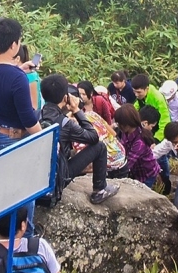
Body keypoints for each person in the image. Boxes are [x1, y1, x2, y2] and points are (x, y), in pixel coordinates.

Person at [39, 75, 119, 204]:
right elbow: (93, 137)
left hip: (38, 183)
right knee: (99, 147)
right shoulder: (65, 123)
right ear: (65, 97)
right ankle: (100, 190)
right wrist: (76, 110)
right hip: (55, 183)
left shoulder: (36, 116)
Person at [0, 19, 41, 158]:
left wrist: (20, 69)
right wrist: (47, 140)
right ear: (13, 45)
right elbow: (28, 120)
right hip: (10, 140)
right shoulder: (17, 78)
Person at [115, 105, 161, 187]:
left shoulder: (140, 141)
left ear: (128, 123)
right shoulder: (126, 132)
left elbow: (128, 163)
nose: (118, 125)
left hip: (147, 174)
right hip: (136, 171)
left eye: (120, 123)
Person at [130, 74, 170, 140]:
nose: (136, 95)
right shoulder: (141, 95)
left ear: (147, 89)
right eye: (134, 91)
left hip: (158, 128)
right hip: (147, 124)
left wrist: (156, 139)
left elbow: (165, 121)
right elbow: (136, 106)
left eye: (138, 92)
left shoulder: (158, 98)